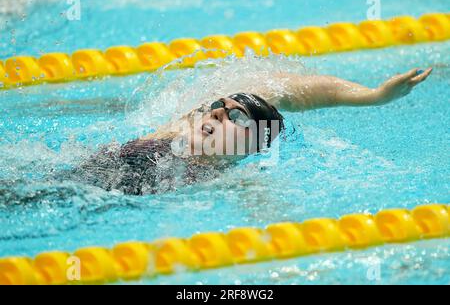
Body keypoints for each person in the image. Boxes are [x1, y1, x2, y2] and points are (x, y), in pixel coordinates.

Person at [74, 68, 432, 195]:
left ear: (257, 145)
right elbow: (291, 88)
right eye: (217, 107)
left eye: (237, 117)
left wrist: (377, 97)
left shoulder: (234, 180)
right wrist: (372, 96)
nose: (216, 113)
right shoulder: (177, 131)